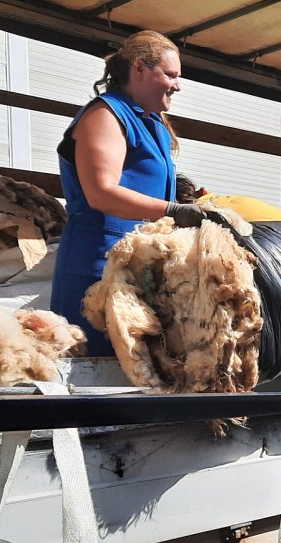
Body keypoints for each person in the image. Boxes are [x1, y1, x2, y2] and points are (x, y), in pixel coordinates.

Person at [51, 31, 218, 356]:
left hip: (141, 265)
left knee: (141, 373)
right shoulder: (105, 114)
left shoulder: (152, 122)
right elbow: (101, 194)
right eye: (170, 75)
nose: (177, 85)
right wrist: (172, 211)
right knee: (96, 368)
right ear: (139, 69)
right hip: (98, 268)